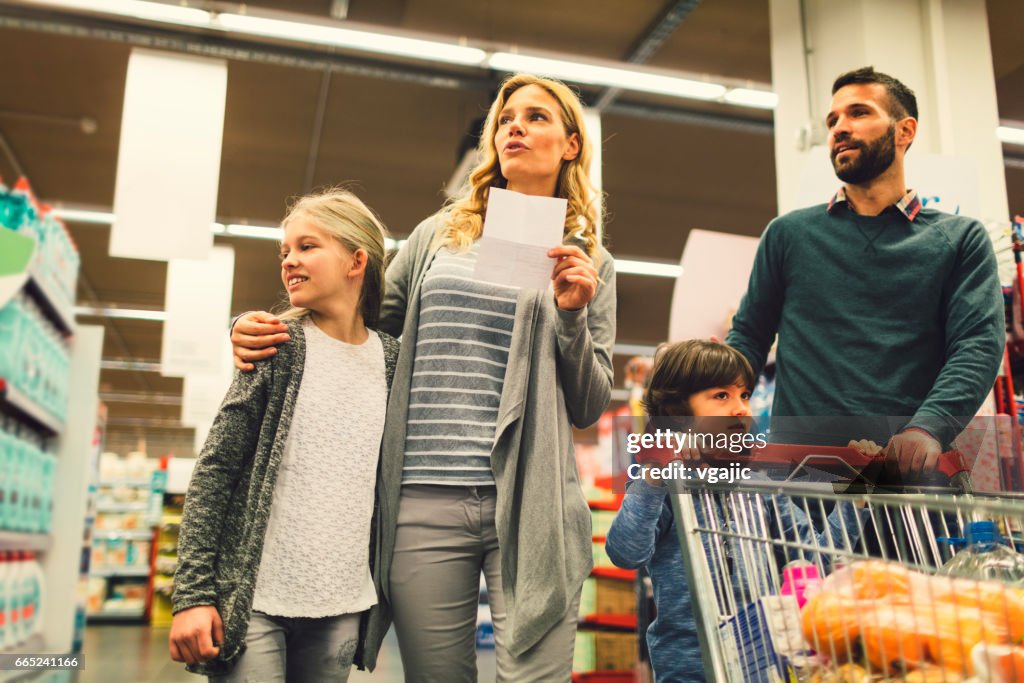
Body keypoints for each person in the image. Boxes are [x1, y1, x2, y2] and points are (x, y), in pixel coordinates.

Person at [229, 74, 616, 681]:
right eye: (506, 117)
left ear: (571, 144)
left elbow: (590, 403)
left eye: (536, 117)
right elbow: (355, 324)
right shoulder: (440, 235)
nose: (515, 126)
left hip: (528, 502)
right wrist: (267, 328)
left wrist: (571, 316)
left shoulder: (587, 261)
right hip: (422, 498)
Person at [726, 66, 1004, 477]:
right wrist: (706, 394)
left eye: (858, 113)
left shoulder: (959, 238)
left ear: (904, 131)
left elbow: (977, 345)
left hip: (907, 476)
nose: (839, 127)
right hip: (802, 479)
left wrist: (928, 429)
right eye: (833, 119)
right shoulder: (788, 235)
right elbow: (748, 336)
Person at [169, 189, 400, 681]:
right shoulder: (278, 347)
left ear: (356, 260)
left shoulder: (392, 360)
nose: (290, 261)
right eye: (285, 251)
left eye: (307, 246)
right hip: (255, 601)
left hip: (341, 603)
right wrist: (192, 595)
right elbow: (215, 470)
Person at [605, 340, 870, 683]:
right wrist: (654, 476)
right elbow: (626, 553)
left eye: (744, 395)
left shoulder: (758, 484)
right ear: (677, 412)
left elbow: (814, 557)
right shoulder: (666, 483)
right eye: (721, 396)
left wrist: (857, 495)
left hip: (761, 665)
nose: (740, 409)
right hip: (688, 669)